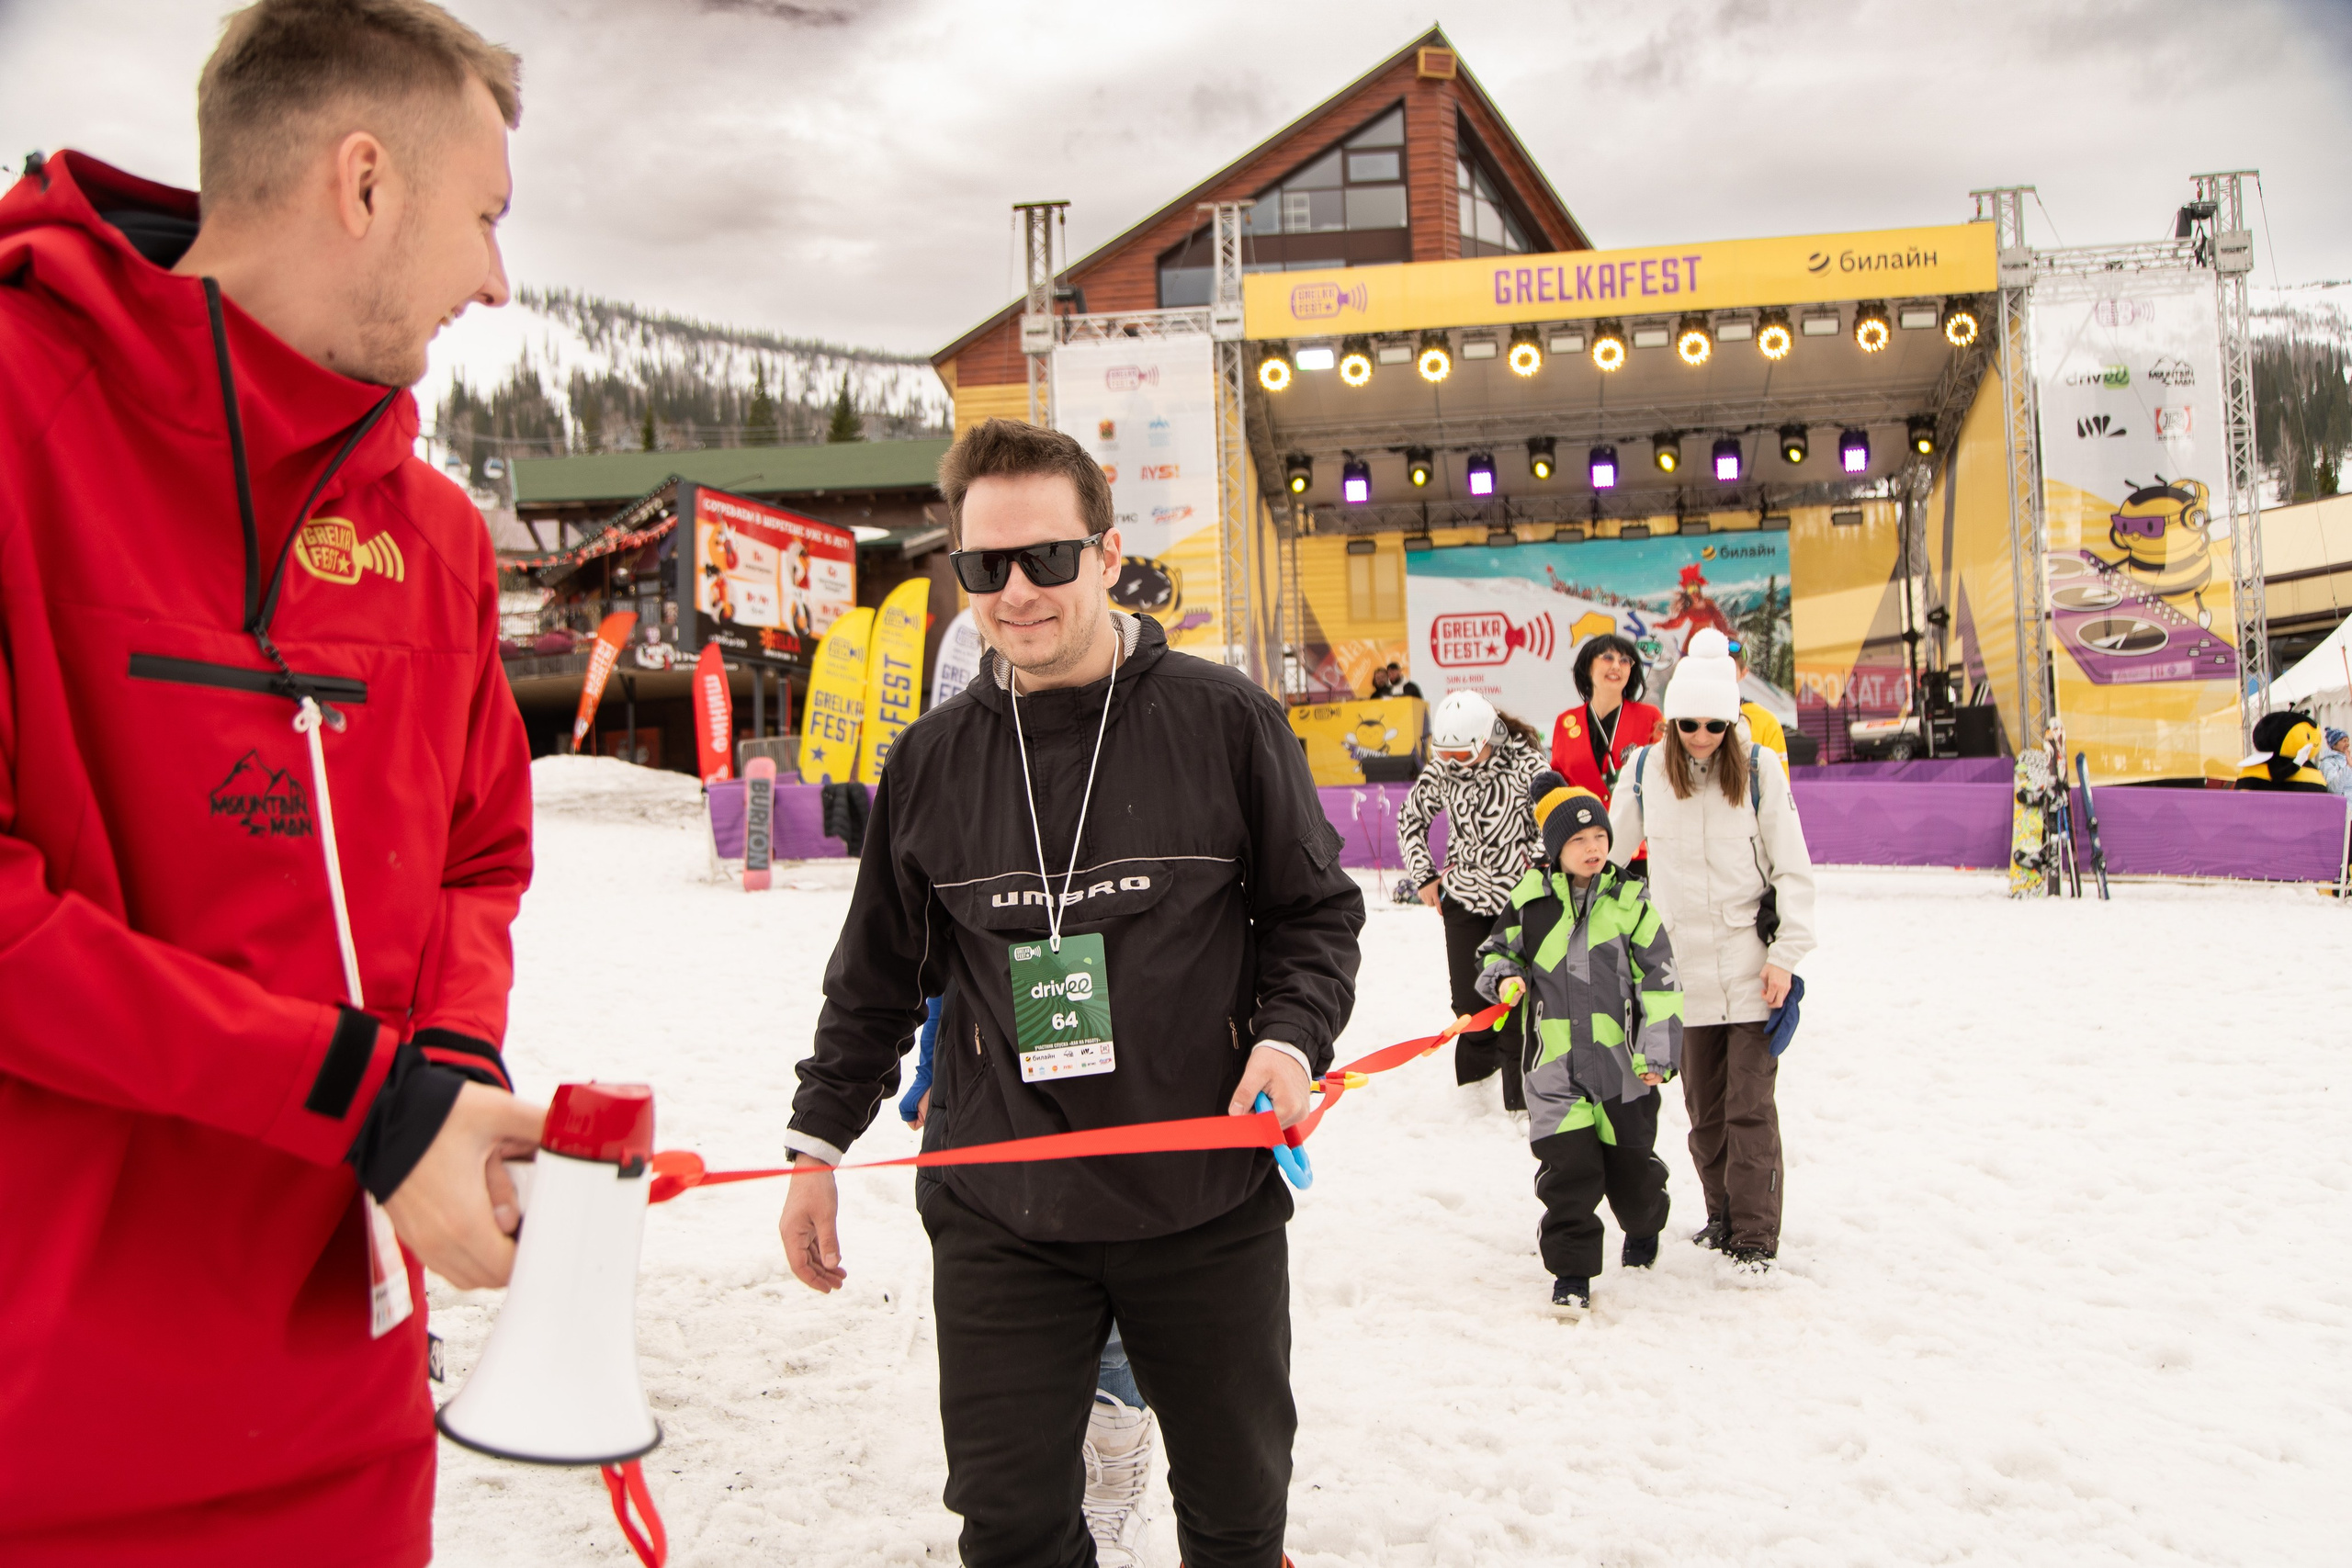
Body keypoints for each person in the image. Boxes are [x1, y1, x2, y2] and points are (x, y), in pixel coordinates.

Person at [0, 5, 545, 1563]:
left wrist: (439, 1067)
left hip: (346, 1434)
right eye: (486, 218)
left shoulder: (429, 535)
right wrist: (363, 1102)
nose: (495, 281)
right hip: (44, 1446)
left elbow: (476, 852)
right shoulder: (16, 421)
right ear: (362, 182)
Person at [777, 418, 1363, 1568]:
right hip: (1006, 1215)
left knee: (1238, 1524)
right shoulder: (933, 762)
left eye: (1046, 557)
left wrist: (1291, 1041)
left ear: (1104, 553)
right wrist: (814, 1147)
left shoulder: (1222, 720)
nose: (1018, 591)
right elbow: (875, 976)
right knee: (1009, 1535)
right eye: (984, 566)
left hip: (1203, 1202)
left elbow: (1314, 915)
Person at [899, 987, 1155, 1568]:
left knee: (1125, 1236)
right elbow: (938, 948)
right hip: (1007, 1062)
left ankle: (1114, 1446)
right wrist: (938, 1061)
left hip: (1148, 1054)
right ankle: (1053, 1470)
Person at [1608, 629, 1815, 1274]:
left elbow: (1794, 871)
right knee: (1704, 1111)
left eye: (1714, 724)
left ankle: (1755, 1235)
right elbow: (1606, 858)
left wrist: (1786, 954)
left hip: (1752, 968)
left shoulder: (1760, 770)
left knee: (1749, 1107)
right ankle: (1722, 1214)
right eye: (1689, 723)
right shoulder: (1644, 770)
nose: (1701, 736)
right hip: (1679, 974)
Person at [1475, 776, 1682, 1317]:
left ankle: (1644, 1223)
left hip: (1623, 1068)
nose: (1592, 849)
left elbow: (1661, 981)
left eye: (1599, 837)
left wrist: (1658, 1049)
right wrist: (1504, 979)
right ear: (1554, 850)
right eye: (1577, 841)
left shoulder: (1631, 902)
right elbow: (1496, 952)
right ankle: (1571, 1272)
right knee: (1567, 1172)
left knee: (1632, 1171)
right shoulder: (1531, 902)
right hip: (1554, 1068)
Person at [1397, 691, 1547, 1111]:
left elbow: (1552, 825)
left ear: (1490, 736)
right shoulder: (1443, 770)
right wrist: (1424, 875)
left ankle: (1520, 1102)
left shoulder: (1528, 766)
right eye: (1447, 753)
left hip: (1516, 902)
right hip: (1462, 896)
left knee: (1514, 999)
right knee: (1469, 1001)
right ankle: (1474, 1099)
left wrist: (1535, 875)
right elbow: (1411, 819)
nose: (1455, 761)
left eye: (1464, 752)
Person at [1549, 632, 1659, 803]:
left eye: (1624, 661)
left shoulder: (1650, 717)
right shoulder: (1566, 721)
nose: (1617, 666)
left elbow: (1664, 773)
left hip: (1635, 824)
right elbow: (1558, 782)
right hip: (1583, 824)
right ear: (1588, 667)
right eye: (1608, 658)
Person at [1727, 637, 1790, 763]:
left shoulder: (1766, 722)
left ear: (1744, 674)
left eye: (1728, 671)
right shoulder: (1683, 721)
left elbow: (1778, 782)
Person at [2321, 727, 2352, 798]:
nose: (2347, 744)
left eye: (2348, 741)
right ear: (2334, 745)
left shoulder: (2348, 760)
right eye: (2344, 741)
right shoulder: (2328, 763)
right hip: (2343, 807)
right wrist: (2348, 767)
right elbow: (2333, 789)